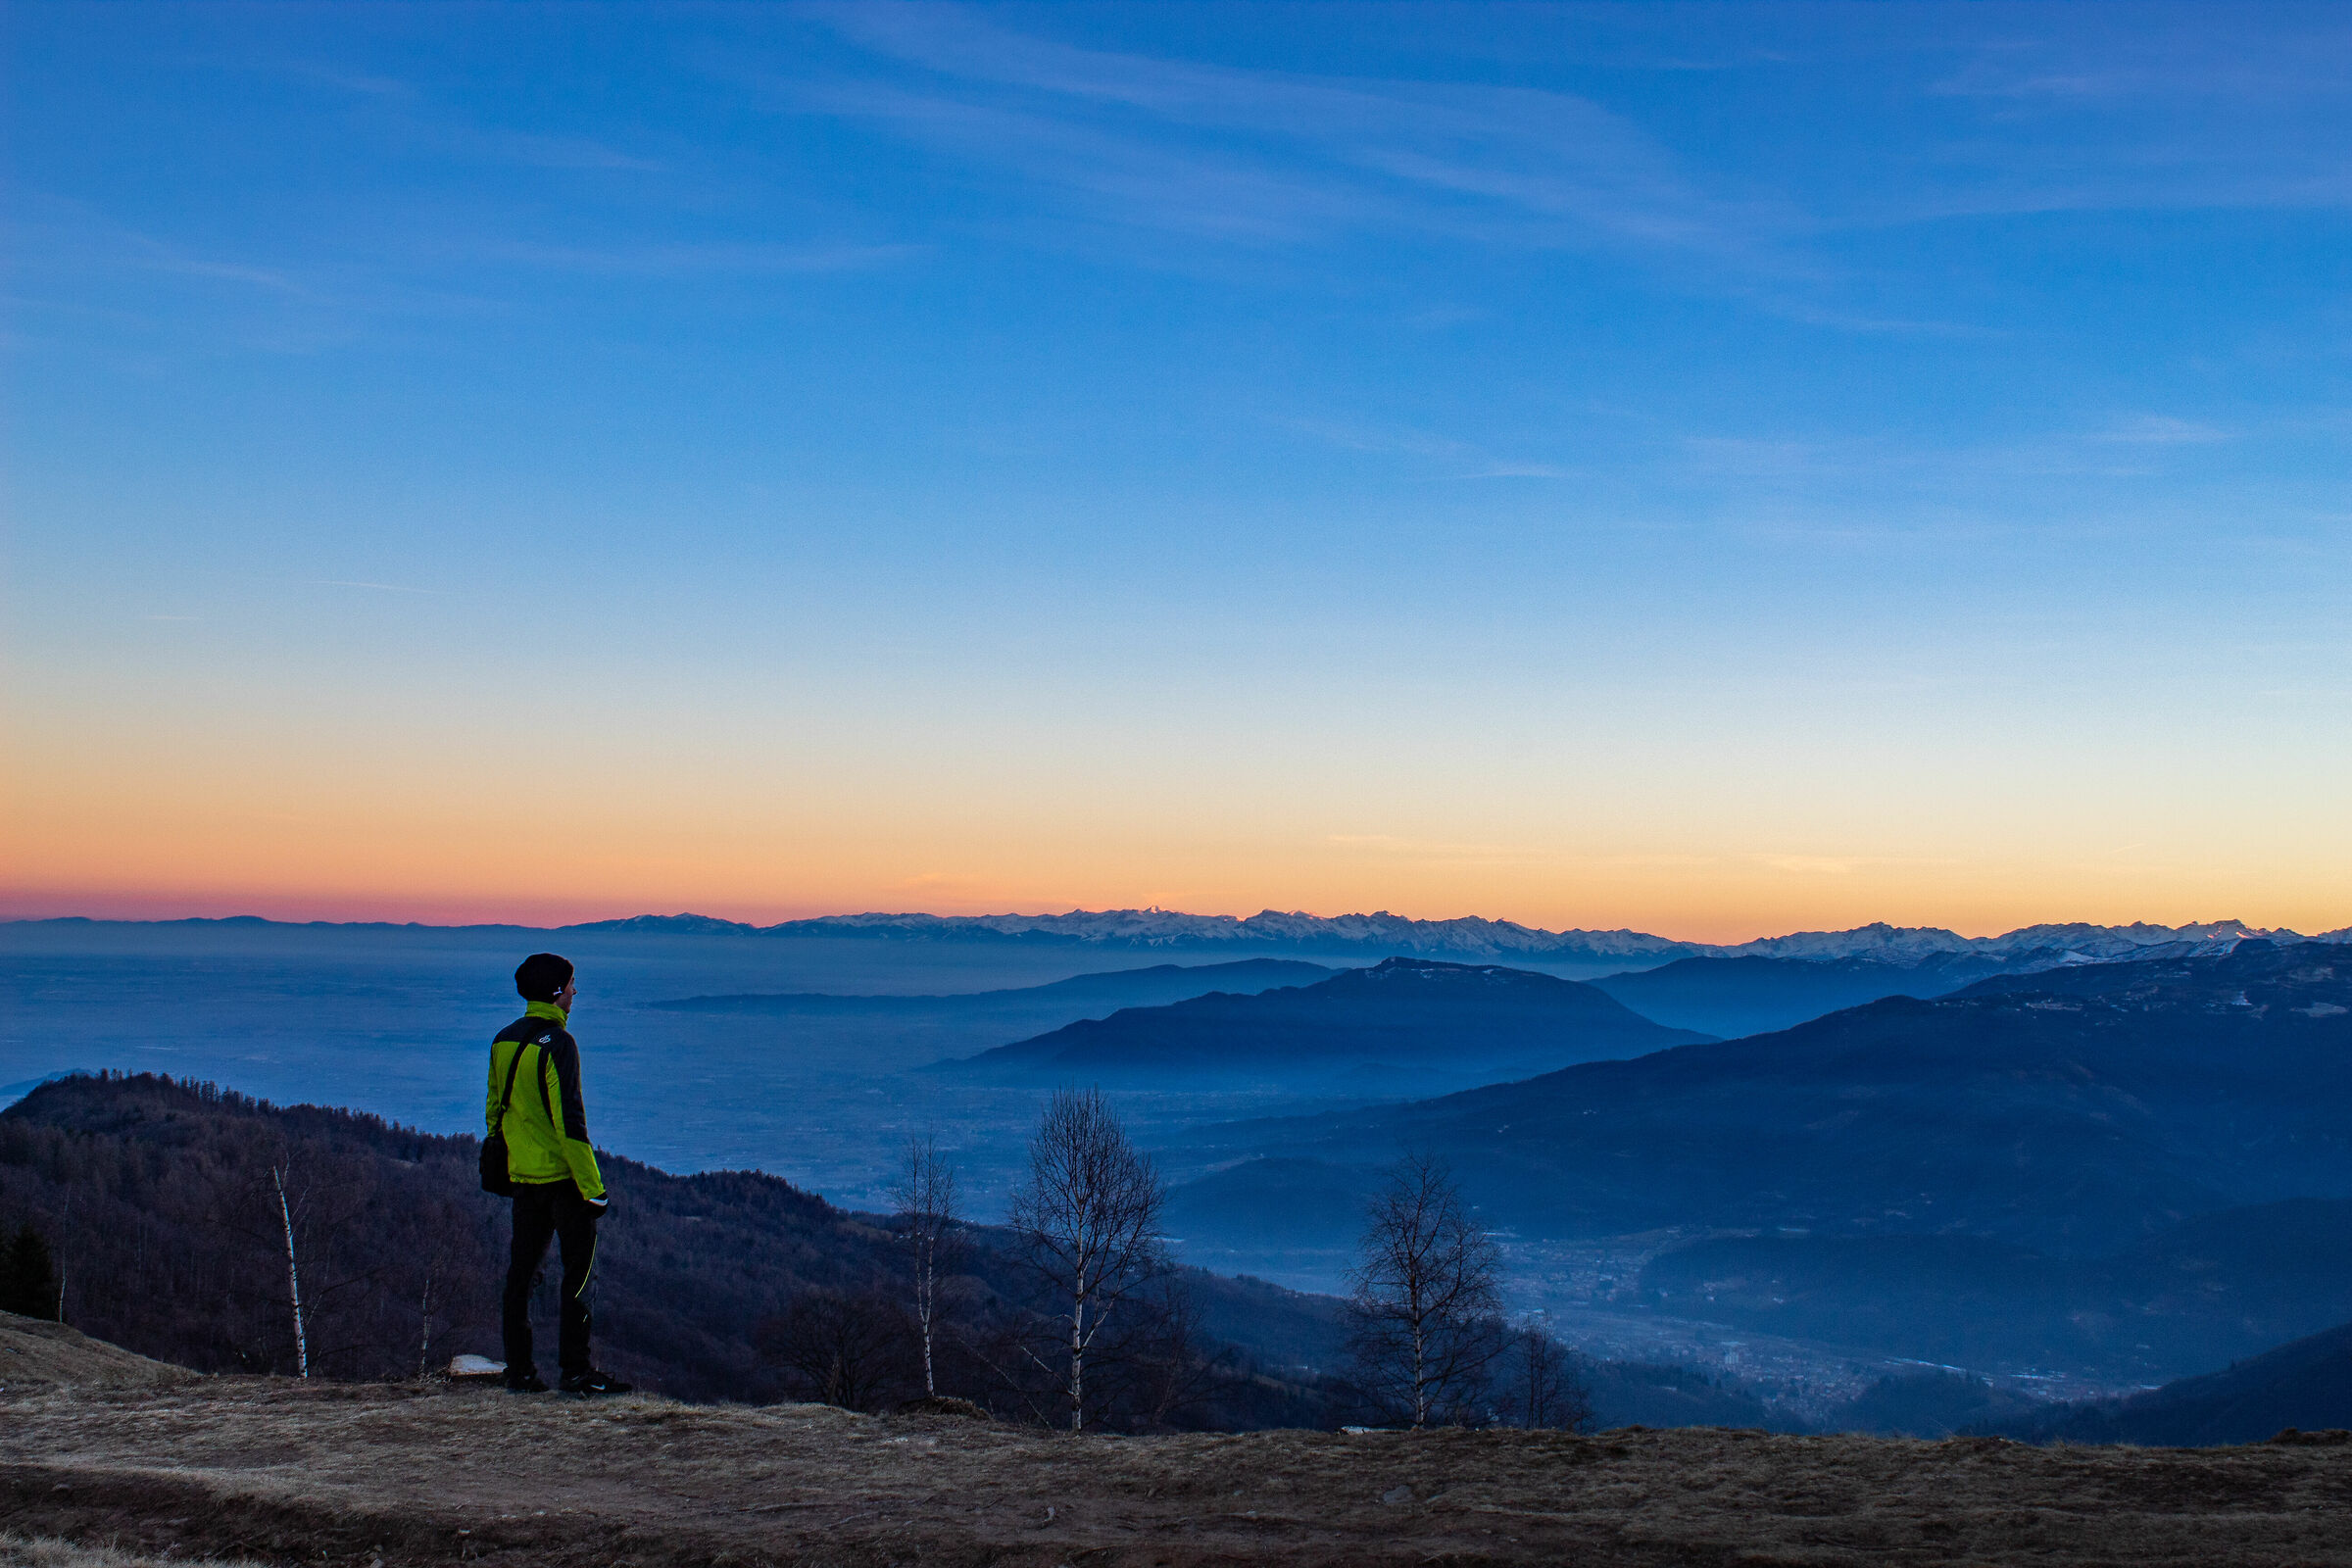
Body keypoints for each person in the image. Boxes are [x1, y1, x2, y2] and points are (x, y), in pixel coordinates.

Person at [489, 952, 631, 1396]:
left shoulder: (504, 1040)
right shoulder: (559, 1045)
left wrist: (514, 1161)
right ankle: (576, 1372)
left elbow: (495, 1111)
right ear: (555, 991)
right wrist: (594, 1190)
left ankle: (520, 1372)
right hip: (564, 1183)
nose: (575, 992)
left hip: (524, 1180)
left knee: (521, 1277)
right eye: (571, 984)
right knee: (578, 1277)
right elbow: (570, 1123)